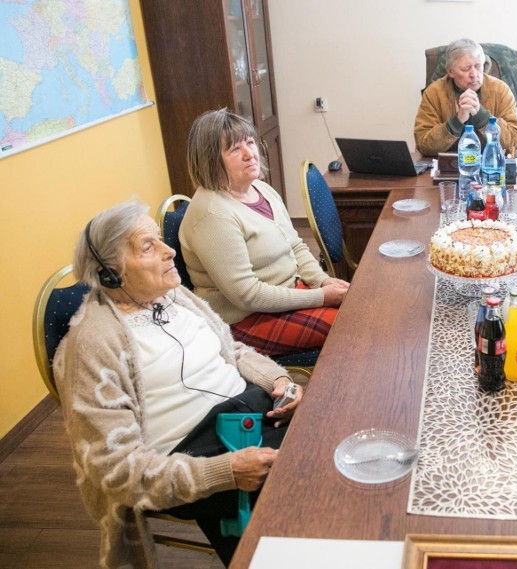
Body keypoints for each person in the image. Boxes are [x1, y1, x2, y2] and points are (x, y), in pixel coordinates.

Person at [54, 201, 304, 567]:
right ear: (111, 273)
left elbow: (230, 350)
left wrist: (279, 380)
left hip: (252, 414)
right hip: (198, 454)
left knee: (332, 441)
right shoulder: (93, 343)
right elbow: (116, 469)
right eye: (147, 246)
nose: (168, 251)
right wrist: (227, 472)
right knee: (300, 501)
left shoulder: (174, 296)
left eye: (160, 240)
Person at [180, 108, 349, 358]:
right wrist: (321, 297)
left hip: (288, 293)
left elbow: (297, 246)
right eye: (234, 149)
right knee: (352, 327)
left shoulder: (261, 189)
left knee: (360, 309)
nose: (250, 154)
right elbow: (248, 296)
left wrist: (321, 281)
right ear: (210, 160)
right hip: (246, 320)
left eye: (250, 143)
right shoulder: (213, 215)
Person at [414, 38, 517, 157]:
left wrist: (482, 116)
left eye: (478, 66)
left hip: (490, 164)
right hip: (449, 165)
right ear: (450, 71)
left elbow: (515, 140)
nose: (474, 74)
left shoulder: (500, 90)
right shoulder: (434, 93)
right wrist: (456, 121)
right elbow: (422, 143)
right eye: (465, 69)